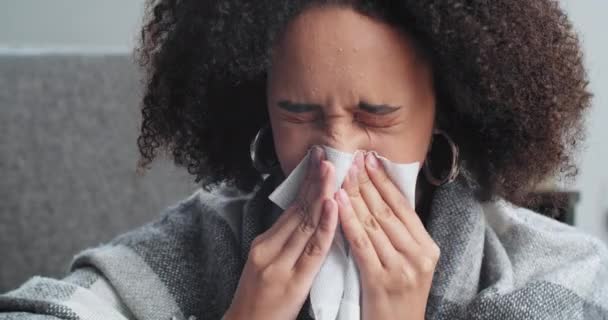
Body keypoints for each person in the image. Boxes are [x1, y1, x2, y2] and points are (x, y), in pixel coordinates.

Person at [1, 0, 607, 319]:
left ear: (442, 114)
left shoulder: (551, 274)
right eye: (300, 114)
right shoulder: (201, 243)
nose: (336, 153)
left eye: (375, 115)